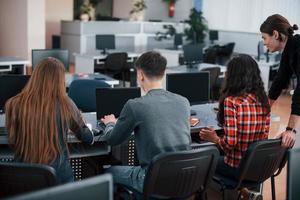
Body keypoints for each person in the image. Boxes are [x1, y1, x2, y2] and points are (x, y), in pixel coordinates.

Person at [100, 51, 192, 193]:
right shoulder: (184, 101)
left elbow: (112, 139)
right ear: (163, 73)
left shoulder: (135, 105)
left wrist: (110, 123)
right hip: (183, 178)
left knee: (109, 172)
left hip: (152, 180)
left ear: (141, 75)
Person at [5, 57, 94, 184]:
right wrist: (84, 123)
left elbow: (12, 140)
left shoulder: (13, 104)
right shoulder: (66, 105)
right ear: (60, 80)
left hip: (23, 178)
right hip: (59, 178)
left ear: (35, 76)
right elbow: (86, 137)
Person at [200, 54, 271, 199]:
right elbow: (264, 138)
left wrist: (214, 138)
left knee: (204, 161)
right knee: (216, 153)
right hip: (256, 166)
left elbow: (230, 144)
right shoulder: (264, 101)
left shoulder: (231, 102)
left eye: (228, 72)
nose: (225, 75)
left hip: (236, 167)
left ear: (234, 76)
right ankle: (246, 193)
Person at [260, 14, 299, 148]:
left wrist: (290, 130)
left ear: (275, 34)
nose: (264, 43)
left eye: (264, 38)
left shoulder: (298, 48)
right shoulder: (289, 49)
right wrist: (263, 110)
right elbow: (280, 80)